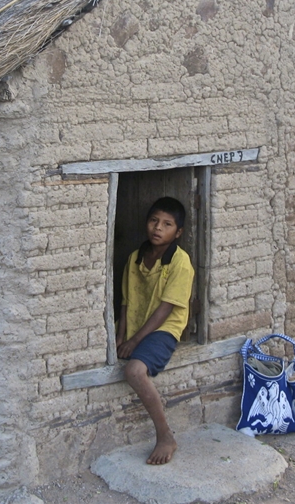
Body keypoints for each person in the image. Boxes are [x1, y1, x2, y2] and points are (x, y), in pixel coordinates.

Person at [116, 196, 194, 465]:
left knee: (134, 371)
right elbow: (126, 301)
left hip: (163, 328)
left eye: (167, 224)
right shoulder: (135, 258)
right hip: (137, 324)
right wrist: (120, 334)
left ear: (178, 232)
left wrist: (136, 340)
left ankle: (165, 436)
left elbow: (166, 308)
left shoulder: (180, 262)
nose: (158, 228)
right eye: (153, 221)